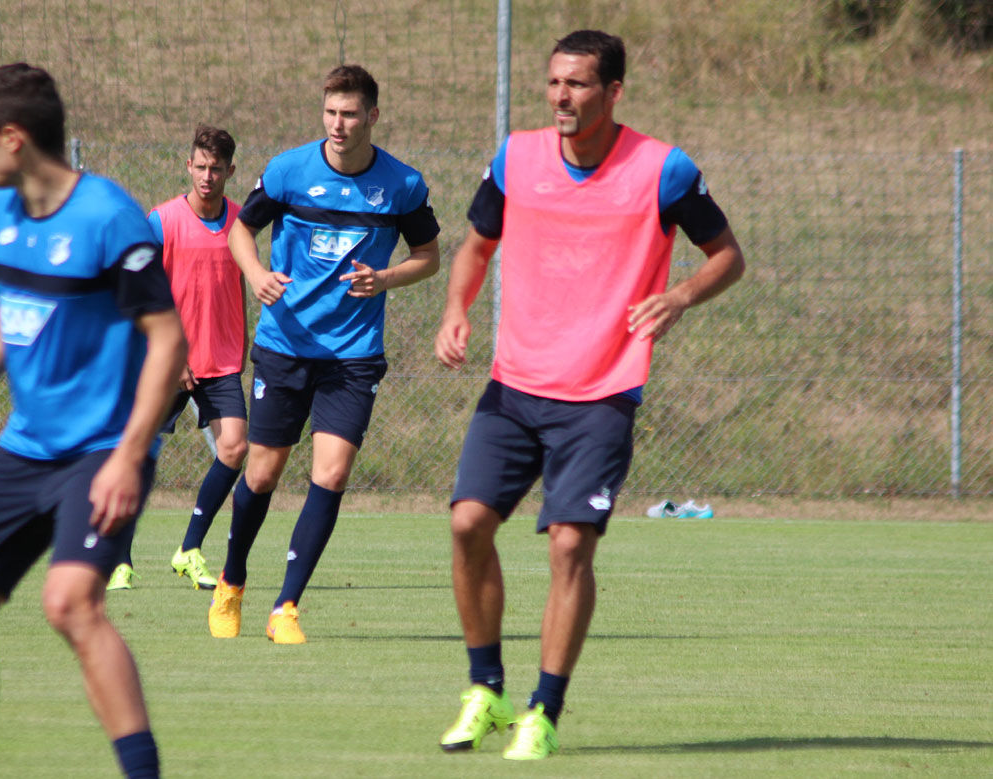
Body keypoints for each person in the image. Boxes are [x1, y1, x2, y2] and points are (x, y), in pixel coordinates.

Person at [434, 30, 745, 760]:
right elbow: (477, 244)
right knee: (467, 523)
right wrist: (456, 309)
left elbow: (728, 256)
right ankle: (486, 689)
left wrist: (680, 296)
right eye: (553, 84)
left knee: (570, 543)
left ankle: (544, 709)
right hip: (514, 385)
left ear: (613, 93)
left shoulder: (664, 170)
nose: (561, 98)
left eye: (577, 85)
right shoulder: (517, 157)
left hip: (602, 393)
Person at [0, 63, 186, 778]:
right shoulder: (4, 208)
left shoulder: (109, 217)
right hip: (23, 449)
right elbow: (9, 315)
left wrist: (129, 456)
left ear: (13, 137)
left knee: (71, 602)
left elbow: (168, 339)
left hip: (100, 449)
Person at [207, 64, 441, 644]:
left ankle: (285, 607)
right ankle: (232, 582)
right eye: (331, 112)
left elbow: (429, 255)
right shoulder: (288, 171)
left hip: (354, 355)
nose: (339, 124)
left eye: (350, 113)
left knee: (331, 474)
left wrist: (385, 278)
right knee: (261, 475)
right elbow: (240, 230)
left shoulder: (402, 185)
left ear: (373, 117)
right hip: (286, 345)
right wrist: (257, 272)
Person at [106, 126, 249, 592]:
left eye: (216, 169)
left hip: (222, 360)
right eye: (200, 167)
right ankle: (118, 560)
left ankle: (189, 550)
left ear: (230, 171)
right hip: (167, 360)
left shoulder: (240, 221)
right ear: (188, 166)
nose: (207, 176)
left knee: (235, 449)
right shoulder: (162, 220)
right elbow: (140, 291)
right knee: (137, 455)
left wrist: (242, 339)